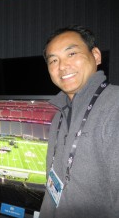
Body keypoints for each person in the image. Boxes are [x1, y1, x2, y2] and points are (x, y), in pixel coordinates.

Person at [39, 25, 119, 218]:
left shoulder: (114, 107)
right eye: (54, 60)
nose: (62, 66)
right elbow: (53, 189)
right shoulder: (59, 113)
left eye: (72, 53)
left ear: (96, 56)